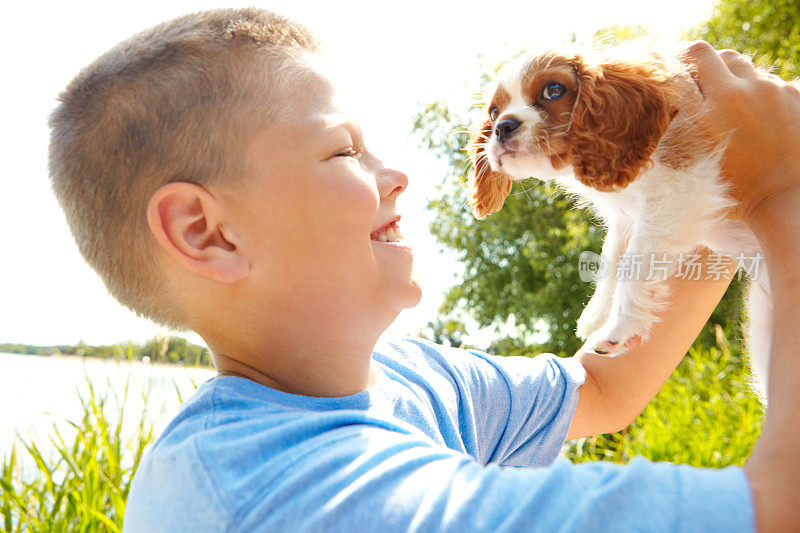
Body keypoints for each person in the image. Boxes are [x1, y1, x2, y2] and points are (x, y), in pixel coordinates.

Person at [46, 8, 799, 532]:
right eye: (344, 151)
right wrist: (782, 194)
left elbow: (609, 386)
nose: (399, 173)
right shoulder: (293, 500)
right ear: (206, 232)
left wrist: (706, 159)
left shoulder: (409, 380)